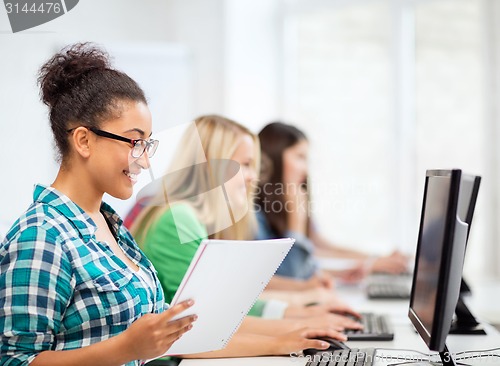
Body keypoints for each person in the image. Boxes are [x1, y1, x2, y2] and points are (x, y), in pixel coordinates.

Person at [0, 43, 197, 366]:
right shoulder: (41, 237)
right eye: (135, 143)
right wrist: (126, 349)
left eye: (147, 145)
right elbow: (14, 360)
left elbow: (163, 331)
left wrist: (288, 337)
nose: (145, 162)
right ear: (83, 140)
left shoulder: (110, 225)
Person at [129, 115, 361, 358]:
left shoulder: (192, 217)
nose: (253, 176)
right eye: (246, 164)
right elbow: (203, 321)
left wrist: (301, 313)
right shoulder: (176, 220)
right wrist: (292, 327)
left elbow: (228, 306)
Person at [256, 122, 409, 284]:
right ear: (274, 157)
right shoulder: (256, 216)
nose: (305, 170)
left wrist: (372, 260)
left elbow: (316, 245)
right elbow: (293, 273)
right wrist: (296, 222)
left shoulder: (287, 202)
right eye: (299, 157)